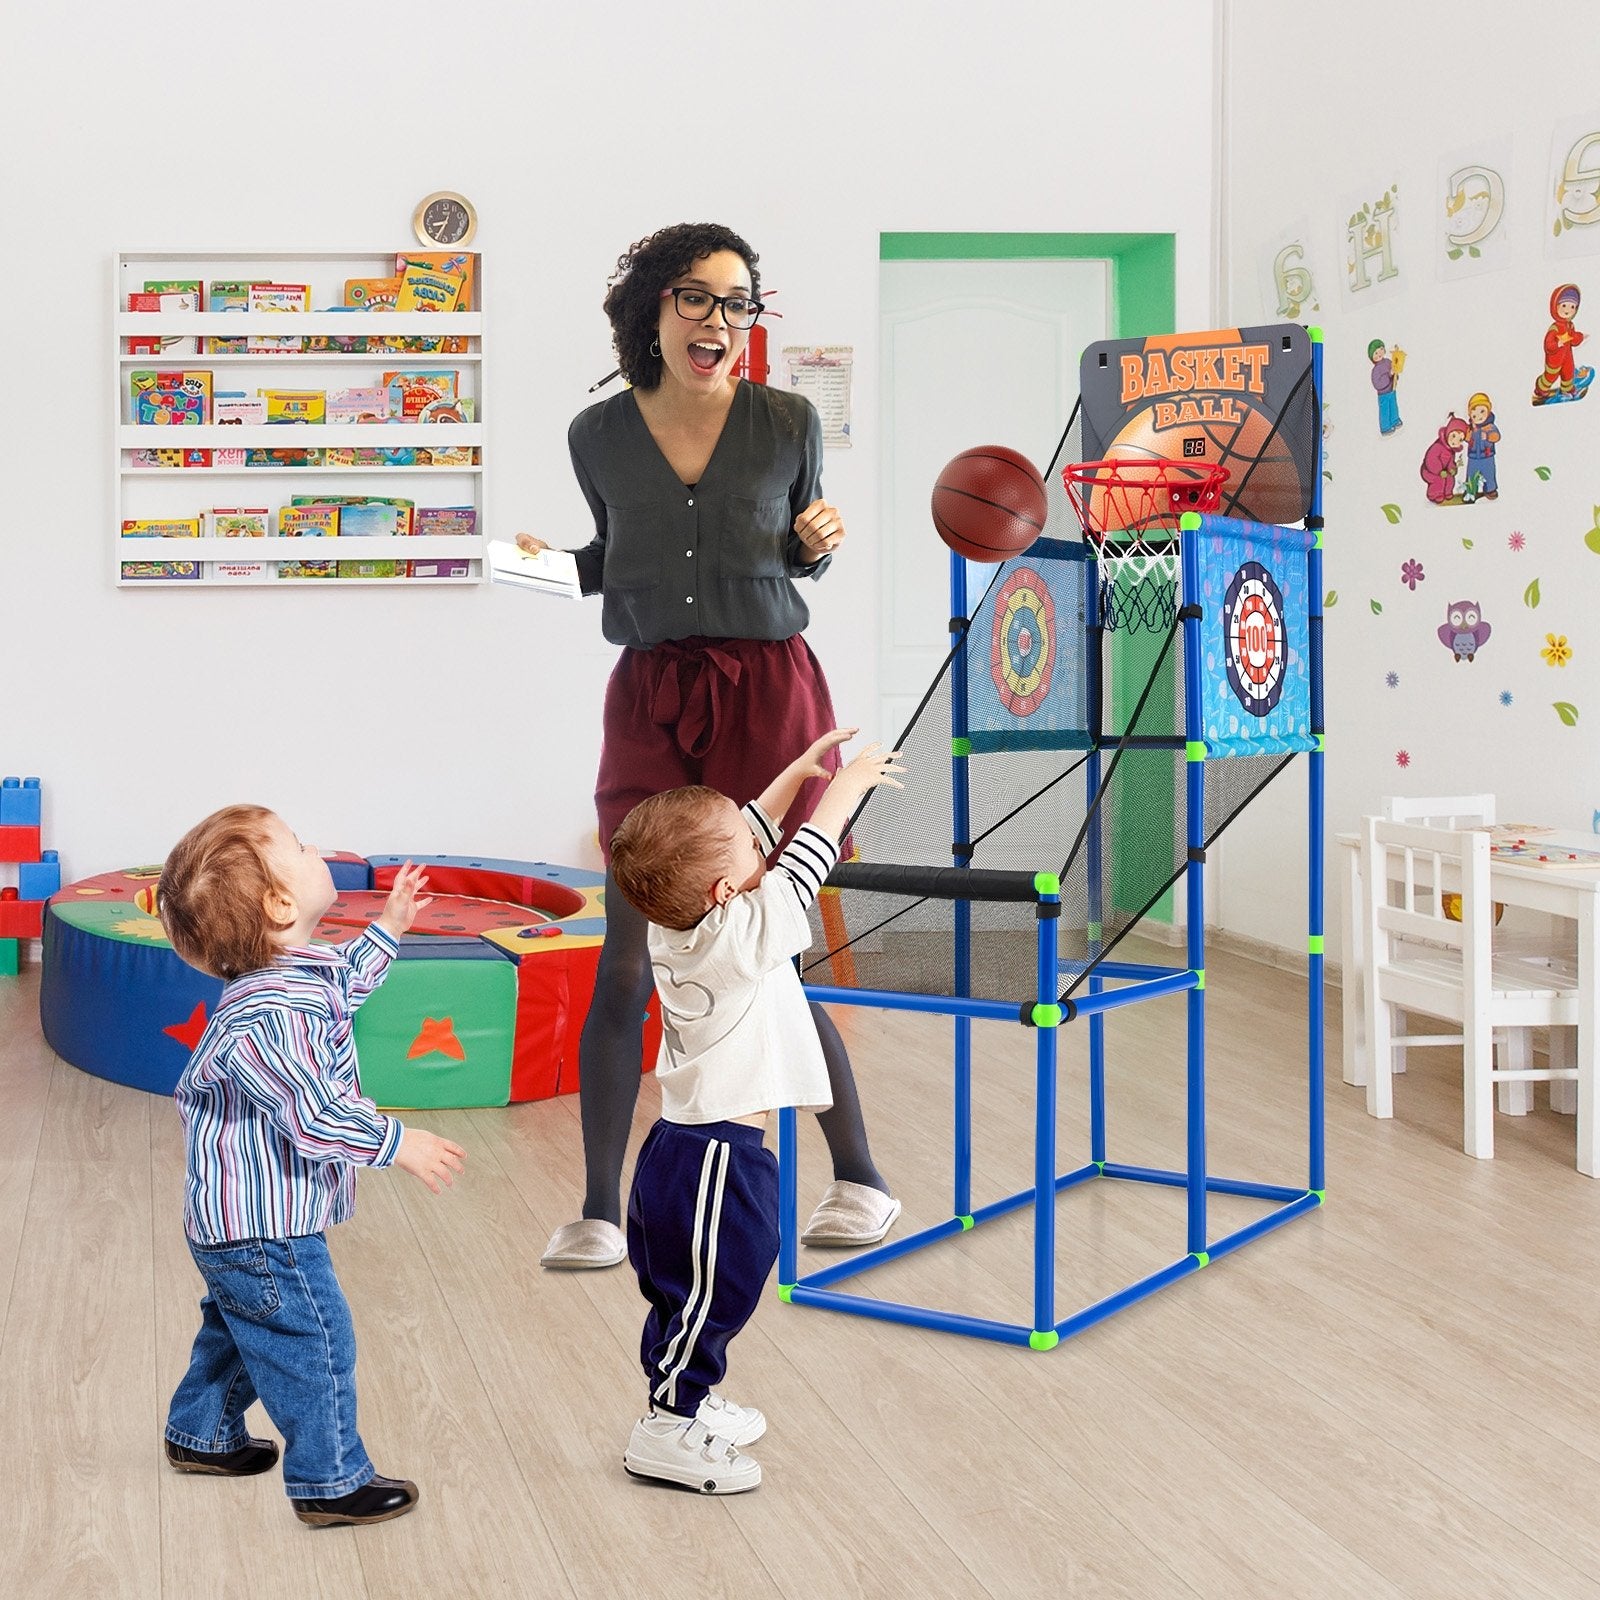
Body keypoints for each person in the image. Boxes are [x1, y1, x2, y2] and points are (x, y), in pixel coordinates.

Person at [517, 222, 899, 1269]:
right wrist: (540, 567)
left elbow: (786, 554)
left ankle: (860, 1177)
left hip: (767, 688)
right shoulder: (595, 436)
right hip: (650, 692)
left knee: (763, 944)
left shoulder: (785, 421)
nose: (721, 322)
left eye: (739, 303)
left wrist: (810, 548)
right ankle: (600, 1205)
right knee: (627, 944)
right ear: (653, 308)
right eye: (698, 298)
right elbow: (616, 558)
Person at [156, 805, 466, 1528]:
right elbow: (315, 1115)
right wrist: (398, 1143)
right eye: (298, 846)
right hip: (264, 1229)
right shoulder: (268, 1019)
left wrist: (388, 927)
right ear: (281, 904)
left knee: (239, 1328)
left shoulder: (292, 976)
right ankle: (330, 1480)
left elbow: (343, 985)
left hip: (242, 1222)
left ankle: (199, 1434)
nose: (315, 845)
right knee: (313, 1338)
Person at [608, 734, 904, 1492]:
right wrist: (845, 785)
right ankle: (666, 1429)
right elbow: (805, 860)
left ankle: (685, 1402)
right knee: (714, 1296)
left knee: (697, 1294)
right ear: (725, 891)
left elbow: (744, 844)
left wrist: (783, 783)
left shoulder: (679, 921)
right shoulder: (743, 932)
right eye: (747, 847)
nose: (760, 843)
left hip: (691, 1150)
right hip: (714, 1159)